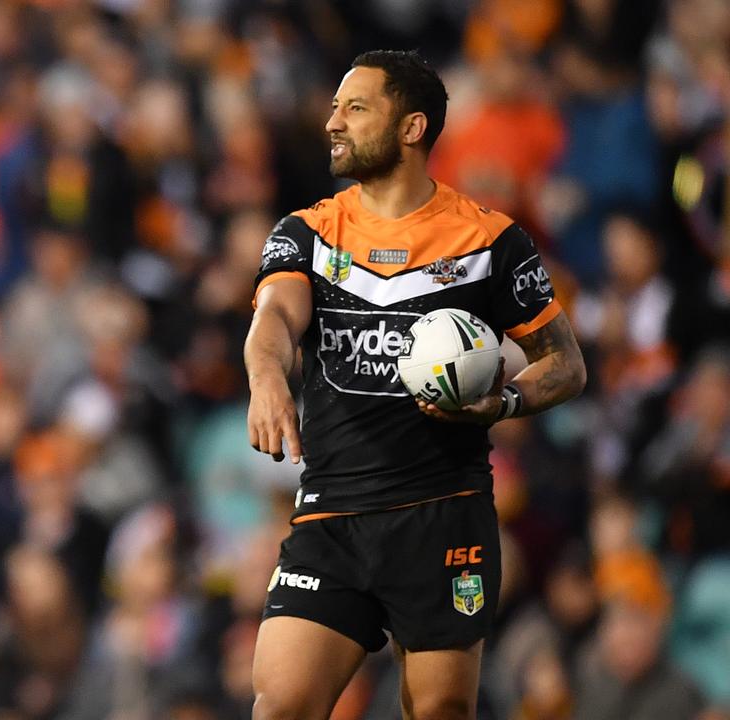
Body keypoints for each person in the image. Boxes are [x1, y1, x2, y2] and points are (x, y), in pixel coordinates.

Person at [243, 50, 586, 720]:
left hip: (443, 514)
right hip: (331, 518)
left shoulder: (490, 242)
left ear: (410, 127)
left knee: (441, 711)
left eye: (355, 107)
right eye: (336, 106)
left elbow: (565, 363)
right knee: (280, 704)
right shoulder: (308, 234)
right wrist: (266, 379)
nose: (333, 122)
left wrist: (505, 401)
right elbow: (276, 317)